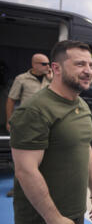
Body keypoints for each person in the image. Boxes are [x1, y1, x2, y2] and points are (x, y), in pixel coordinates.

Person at [9, 40, 92, 224]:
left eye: (90, 65)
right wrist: (53, 219)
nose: (88, 71)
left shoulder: (82, 105)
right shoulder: (35, 110)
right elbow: (25, 170)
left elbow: (84, 146)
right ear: (56, 68)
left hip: (75, 216)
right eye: (80, 64)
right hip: (42, 222)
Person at [5, 53, 53, 197]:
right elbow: (11, 100)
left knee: (45, 157)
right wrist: (9, 120)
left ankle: (41, 188)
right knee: (21, 159)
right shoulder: (21, 79)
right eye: (44, 64)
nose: (48, 66)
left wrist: (52, 80)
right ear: (34, 65)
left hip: (46, 122)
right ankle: (18, 188)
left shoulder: (51, 79)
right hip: (26, 122)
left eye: (48, 63)